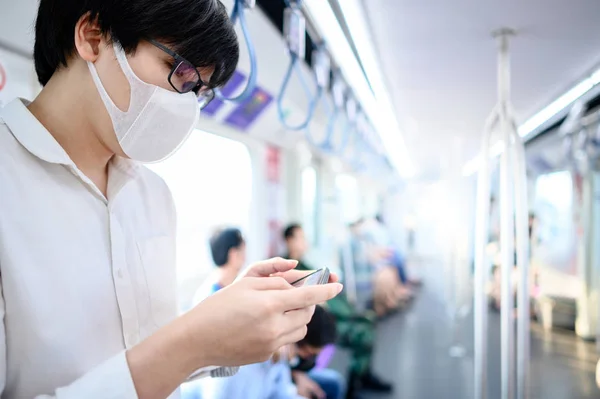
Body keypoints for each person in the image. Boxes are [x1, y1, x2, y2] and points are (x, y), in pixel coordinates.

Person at [0, 1, 343, 397]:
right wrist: (187, 343)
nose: (185, 105)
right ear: (92, 37)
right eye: (180, 75)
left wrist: (219, 324)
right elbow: (164, 356)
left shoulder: (153, 195)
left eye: (198, 92)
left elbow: (147, 352)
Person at [283, 224, 392, 399]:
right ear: (289, 240)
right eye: (301, 238)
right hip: (313, 325)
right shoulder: (285, 269)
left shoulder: (304, 264)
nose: (305, 243)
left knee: (368, 322)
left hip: (325, 316)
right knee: (362, 332)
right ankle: (355, 384)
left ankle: (361, 377)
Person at [192, 227, 247, 305]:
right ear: (234, 254)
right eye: (243, 251)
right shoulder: (210, 296)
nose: (245, 258)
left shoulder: (207, 291)